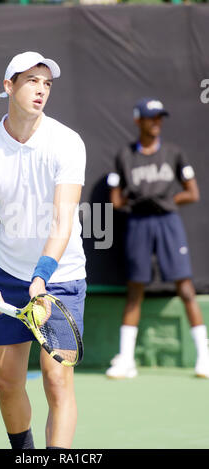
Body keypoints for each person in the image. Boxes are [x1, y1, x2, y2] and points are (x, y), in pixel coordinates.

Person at [0, 51, 87, 449]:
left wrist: (42, 277)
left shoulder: (67, 142)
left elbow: (62, 221)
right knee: (6, 379)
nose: (41, 90)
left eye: (47, 83)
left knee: (56, 375)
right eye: (31, 80)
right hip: (7, 275)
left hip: (60, 278)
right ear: (8, 86)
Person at [106, 97, 209, 379]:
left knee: (186, 288)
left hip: (168, 222)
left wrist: (161, 200)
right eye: (151, 118)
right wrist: (136, 201)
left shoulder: (174, 153)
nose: (157, 123)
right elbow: (115, 200)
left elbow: (193, 193)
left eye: (160, 118)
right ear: (139, 120)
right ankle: (126, 360)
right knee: (135, 290)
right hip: (138, 224)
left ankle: (205, 357)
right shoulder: (124, 156)